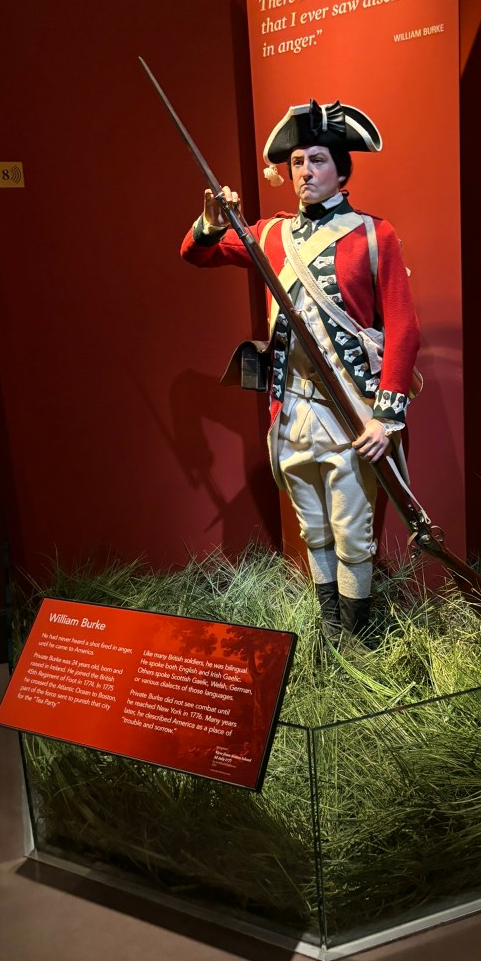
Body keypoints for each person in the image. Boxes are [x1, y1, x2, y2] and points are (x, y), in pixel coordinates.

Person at [180, 99, 420, 641]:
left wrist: (386, 418)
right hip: (290, 409)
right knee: (314, 529)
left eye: (317, 160)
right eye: (297, 163)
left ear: (341, 169)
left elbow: (403, 329)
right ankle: (330, 632)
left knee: (352, 534)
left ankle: (355, 643)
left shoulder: (373, 235)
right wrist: (212, 221)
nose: (305, 172)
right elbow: (197, 254)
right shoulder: (270, 235)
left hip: (351, 412)